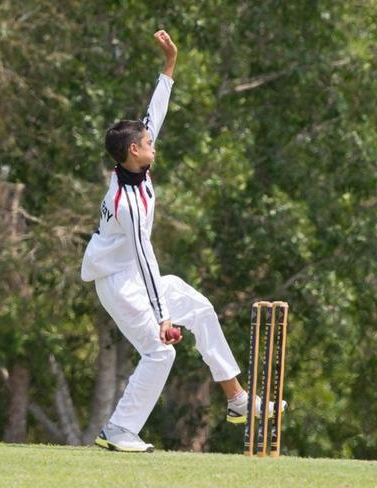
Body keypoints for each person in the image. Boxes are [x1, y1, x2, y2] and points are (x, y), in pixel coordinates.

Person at [81, 30, 283, 453]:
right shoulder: (127, 202)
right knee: (161, 352)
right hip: (120, 283)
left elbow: (156, 112)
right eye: (149, 144)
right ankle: (117, 430)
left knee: (202, 308)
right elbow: (144, 256)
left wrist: (170, 64)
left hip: (135, 277)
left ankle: (237, 400)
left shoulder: (137, 164)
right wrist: (163, 319)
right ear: (134, 151)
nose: (155, 146)